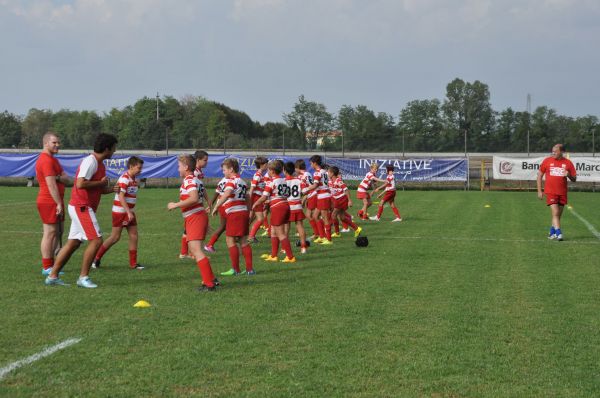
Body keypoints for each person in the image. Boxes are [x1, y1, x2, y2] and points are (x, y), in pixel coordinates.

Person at [45, 133, 118, 288]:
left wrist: (111, 189)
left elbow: (97, 188)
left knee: (74, 243)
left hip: (83, 206)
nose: (114, 151)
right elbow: (80, 184)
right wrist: (100, 182)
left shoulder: (100, 164)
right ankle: (83, 277)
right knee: (97, 240)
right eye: (114, 148)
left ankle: (52, 277)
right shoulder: (90, 161)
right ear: (107, 148)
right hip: (81, 206)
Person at [168, 154, 217, 292]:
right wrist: (207, 204)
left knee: (196, 251)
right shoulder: (195, 179)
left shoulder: (189, 180)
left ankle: (209, 284)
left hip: (195, 217)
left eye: (179, 166)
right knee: (196, 250)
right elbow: (202, 193)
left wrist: (175, 205)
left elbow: (194, 198)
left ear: (186, 167)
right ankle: (212, 279)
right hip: (196, 216)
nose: (178, 169)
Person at [92, 156, 145, 270]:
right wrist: (128, 212)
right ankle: (96, 259)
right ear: (131, 166)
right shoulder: (124, 178)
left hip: (129, 212)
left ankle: (133, 264)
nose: (141, 170)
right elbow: (121, 196)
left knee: (134, 236)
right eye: (139, 168)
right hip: (120, 212)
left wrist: (130, 212)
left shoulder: (134, 179)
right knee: (115, 237)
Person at [212, 158, 254, 276]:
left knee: (230, 240)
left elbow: (226, 193)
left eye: (224, 170)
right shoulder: (243, 181)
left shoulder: (232, 181)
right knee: (243, 241)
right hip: (243, 212)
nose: (223, 172)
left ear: (231, 169)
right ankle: (250, 270)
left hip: (234, 214)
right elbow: (247, 198)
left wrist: (216, 206)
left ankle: (235, 269)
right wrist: (249, 211)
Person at [36, 132, 69, 276]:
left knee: (58, 232)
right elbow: (51, 185)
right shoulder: (46, 160)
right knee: (49, 233)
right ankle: (47, 266)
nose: (57, 145)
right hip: (49, 200)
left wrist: (58, 178)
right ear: (45, 143)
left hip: (55, 200)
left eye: (58, 142)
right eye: (54, 143)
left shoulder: (53, 160)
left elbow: (66, 179)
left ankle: (53, 264)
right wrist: (58, 203)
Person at [253, 160, 295, 262]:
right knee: (273, 232)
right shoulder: (283, 180)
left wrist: (255, 204)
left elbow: (263, 197)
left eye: (268, 169)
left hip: (278, 207)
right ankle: (273, 255)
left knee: (280, 233)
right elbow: (286, 194)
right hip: (285, 205)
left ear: (271, 171)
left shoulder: (271, 182)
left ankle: (290, 257)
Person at [537, 144, 577, 241]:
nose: (553, 153)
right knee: (555, 213)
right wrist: (539, 190)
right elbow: (539, 176)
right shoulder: (547, 161)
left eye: (555, 151)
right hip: (550, 192)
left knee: (558, 215)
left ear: (561, 152)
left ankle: (552, 232)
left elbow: (574, 179)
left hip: (562, 193)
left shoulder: (568, 163)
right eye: (552, 151)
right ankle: (559, 233)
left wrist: (569, 175)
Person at [180, 150, 210, 258]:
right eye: (205, 160)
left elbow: (201, 188)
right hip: (194, 209)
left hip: (195, 209)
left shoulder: (198, 173)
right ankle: (189, 253)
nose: (206, 162)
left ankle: (187, 253)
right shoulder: (194, 174)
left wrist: (208, 200)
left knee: (189, 230)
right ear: (197, 160)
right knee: (189, 230)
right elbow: (194, 194)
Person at [328, 166, 363, 238]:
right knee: (342, 217)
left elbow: (346, 190)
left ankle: (337, 233)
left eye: (328, 172)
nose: (327, 173)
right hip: (337, 200)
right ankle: (357, 228)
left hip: (341, 200)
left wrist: (349, 200)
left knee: (333, 215)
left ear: (332, 173)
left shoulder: (338, 181)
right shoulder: (330, 181)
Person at [306, 155, 333, 245]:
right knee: (315, 216)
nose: (311, 165)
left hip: (323, 196)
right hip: (322, 195)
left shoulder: (317, 173)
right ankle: (322, 236)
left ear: (315, 163)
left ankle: (328, 239)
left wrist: (304, 190)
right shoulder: (324, 171)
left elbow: (315, 185)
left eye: (311, 163)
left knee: (325, 218)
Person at [283, 161, 308, 254]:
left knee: (286, 228)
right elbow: (306, 192)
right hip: (297, 206)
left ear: (284, 171)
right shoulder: (299, 180)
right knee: (300, 226)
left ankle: (285, 248)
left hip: (287, 207)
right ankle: (303, 248)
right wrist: (302, 199)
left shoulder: (283, 181)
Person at [203, 175, 228, 253]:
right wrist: (211, 206)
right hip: (226, 205)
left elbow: (216, 194)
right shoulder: (229, 181)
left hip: (223, 205)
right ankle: (209, 245)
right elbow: (217, 194)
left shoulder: (223, 180)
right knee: (224, 226)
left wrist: (212, 205)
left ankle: (210, 244)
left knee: (225, 226)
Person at [248, 156, 269, 243]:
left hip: (257, 198)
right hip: (256, 198)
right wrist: (249, 200)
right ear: (261, 165)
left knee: (250, 218)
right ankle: (251, 237)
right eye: (266, 164)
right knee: (260, 219)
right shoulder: (257, 175)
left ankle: (242, 234)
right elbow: (252, 188)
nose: (267, 166)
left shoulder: (260, 175)